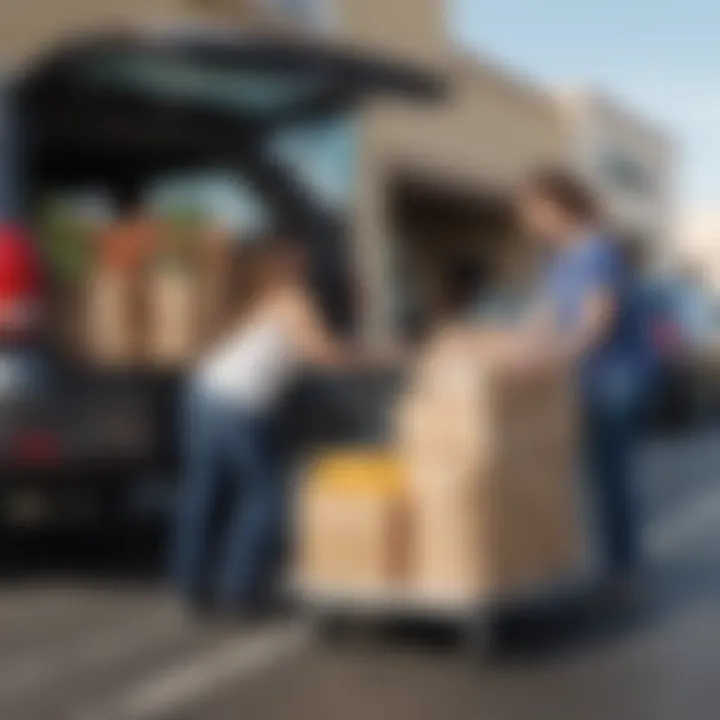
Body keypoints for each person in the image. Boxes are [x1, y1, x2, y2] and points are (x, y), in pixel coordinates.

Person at [172, 237, 362, 615]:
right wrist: (379, 356)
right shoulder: (292, 299)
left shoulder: (259, 299)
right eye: (299, 261)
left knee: (206, 491)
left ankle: (193, 585)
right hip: (238, 402)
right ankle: (240, 590)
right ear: (289, 267)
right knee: (267, 495)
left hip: (204, 392)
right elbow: (322, 354)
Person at [516, 168, 654, 595]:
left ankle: (623, 569)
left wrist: (552, 357)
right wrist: (512, 349)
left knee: (609, 472)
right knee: (576, 470)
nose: (527, 221)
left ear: (558, 208)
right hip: (582, 377)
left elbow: (599, 323)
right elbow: (542, 317)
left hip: (614, 379)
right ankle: (592, 559)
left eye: (532, 211)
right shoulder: (557, 259)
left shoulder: (598, 252)